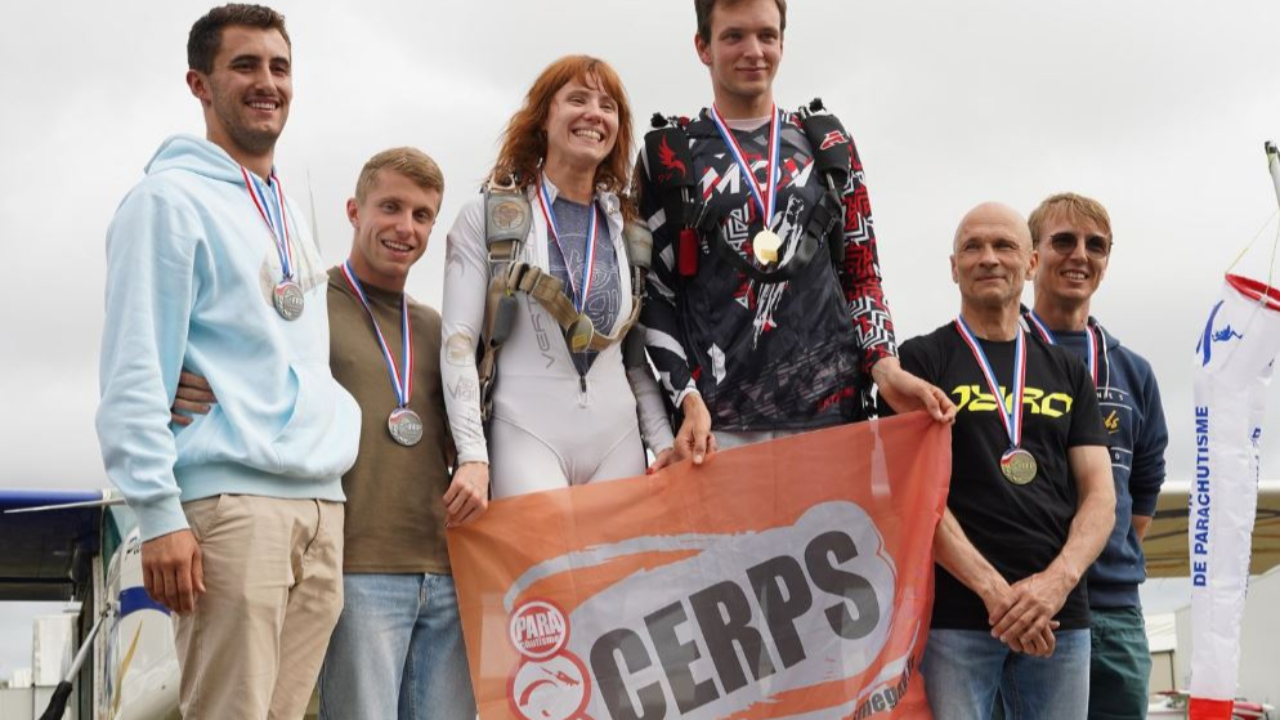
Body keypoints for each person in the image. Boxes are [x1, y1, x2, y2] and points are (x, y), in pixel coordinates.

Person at [96, 5, 360, 717]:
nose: (267, 82)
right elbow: (133, 372)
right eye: (244, 65)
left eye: (279, 67)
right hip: (234, 508)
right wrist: (159, 514)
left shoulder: (288, 212)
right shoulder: (165, 201)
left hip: (318, 504)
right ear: (200, 84)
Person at [174, 148, 480, 718]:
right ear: (354, 211)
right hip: (356, 567)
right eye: (390, 207)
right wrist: (174, 378)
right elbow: (232, 345)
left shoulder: (437, 329)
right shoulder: (307, 308)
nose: (405, 227)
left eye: (421, 215)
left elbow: (462, 437)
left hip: (444, 572)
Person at [635, 0, 954, 458]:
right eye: (734, 36)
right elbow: (655, 297)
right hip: (718, 431)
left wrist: (885, 365)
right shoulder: (669, 155)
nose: (754, 51)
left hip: (831, 421)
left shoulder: (829, 145)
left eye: (767, 35)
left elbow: (861, 275)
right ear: (703, 47)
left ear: (782, 43)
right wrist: (687, 399)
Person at [891, 202, 1115, 720]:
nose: (988, 258)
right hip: (957, 618)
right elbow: (914, 494)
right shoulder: (920, 361)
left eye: (1004, 246)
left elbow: (1100, 496)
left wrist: (1054, 585)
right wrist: (995, 592)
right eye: (973, 247)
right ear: (954, 268)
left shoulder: (1067, 370)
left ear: (1031, 263)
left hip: (1058, 619)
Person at [441, 55, 676, 499]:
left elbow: (633, 361)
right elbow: (457, 342)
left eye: (608, 106)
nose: (594, 114)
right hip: (524, 435)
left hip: (618, 443)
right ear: (543, 116)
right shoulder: (487, 218)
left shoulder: (630, 230)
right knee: (546, 550)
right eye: (577, 99)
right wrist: (472, 455)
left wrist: (663, 443)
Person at [1025, 193, 1168, 720]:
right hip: (1027, 606)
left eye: (1096, 245)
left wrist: (1099, 554)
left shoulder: (1133, 371)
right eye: (1063, 240)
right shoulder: (998, 358)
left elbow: (1144, 487)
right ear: (1032, 256)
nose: (1080, 255)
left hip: (1114, 611)